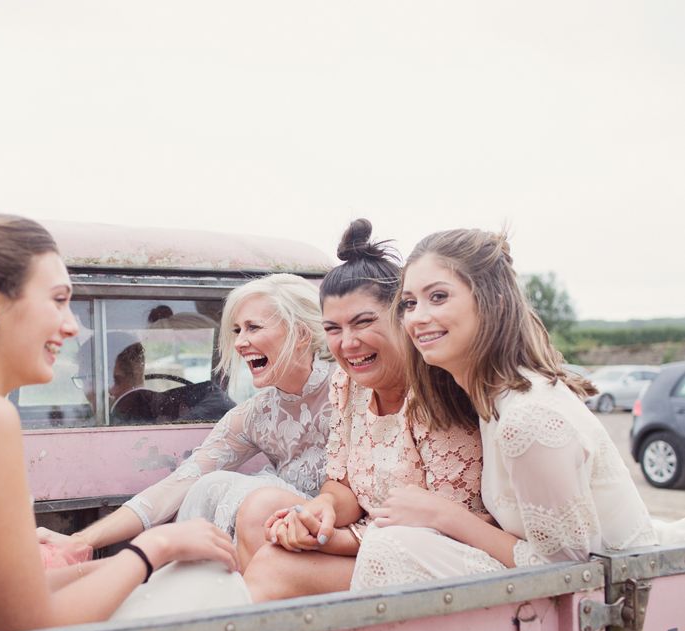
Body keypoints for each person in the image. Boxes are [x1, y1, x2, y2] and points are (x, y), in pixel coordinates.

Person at [0, 214, 241, 631]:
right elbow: (27, 630)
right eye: (57, 300)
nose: (72, 326)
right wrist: (155, 547)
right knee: (212, 586)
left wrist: (125, 565)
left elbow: (10, 598)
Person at [351, 227, 685, 590]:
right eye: (410, 303)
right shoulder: (491, 401)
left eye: (439, 297)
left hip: (623, 601)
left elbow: (571, 573)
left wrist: (444, 515)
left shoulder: (527, 416)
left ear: (491, 302)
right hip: (593, 591)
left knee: (392, 547)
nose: (417, 317)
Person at [239, 219, 486, 601]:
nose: (348, 343)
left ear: (403, 317)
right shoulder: (347, 383)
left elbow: (446, 527)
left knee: (276, 565)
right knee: (264, 513)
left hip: (432, 557)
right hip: (374, 538)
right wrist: (321, 510)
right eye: (333, 329)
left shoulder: (438, 390)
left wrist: (332, 540)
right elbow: (343, 482)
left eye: (364, 322)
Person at [42, 272, 333, 553]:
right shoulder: (255, 415)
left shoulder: (349, 393)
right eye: (237, 330)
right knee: (210, 485)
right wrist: (81, 541)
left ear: (302, 334)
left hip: (341, 537)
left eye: (253, 327)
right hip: (285, 538)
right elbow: (175, 486)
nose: (240, 343)